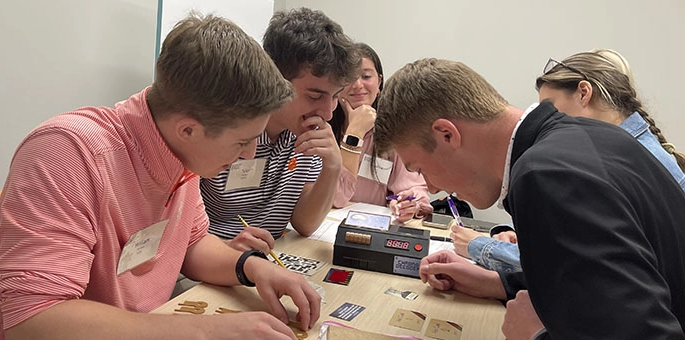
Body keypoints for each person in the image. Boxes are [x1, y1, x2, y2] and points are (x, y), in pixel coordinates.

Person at [0, 14, 322, 340]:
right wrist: (206, 331)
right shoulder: (66, 153)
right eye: (241, 141)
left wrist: (252, 268)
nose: (249, 154)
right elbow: (34, 322)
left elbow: (190, 245)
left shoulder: (181, 149)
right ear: (188, 129)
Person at [373, 58, 685, 339]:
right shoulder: (586, 137)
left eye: (421, 168)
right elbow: (597, 282)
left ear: (446, 134)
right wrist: (498, 283)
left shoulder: (546, 176)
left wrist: (535, 336)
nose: (432, 187)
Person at [452, 49, 685, 273]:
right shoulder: (624, 153)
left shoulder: (628, 162)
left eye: (549, 109)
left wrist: (479, 246)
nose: (546, 120)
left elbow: (575, 265)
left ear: (584, 93)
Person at [201, 8, 361, 253]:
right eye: (314, 96)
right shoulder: (226, 126)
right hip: (207, 265)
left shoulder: (307, 133)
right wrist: (225, 249)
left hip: (265, 261)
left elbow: (305, 225)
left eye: (336, 97)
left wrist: (332, 167)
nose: (328, 113)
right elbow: (180, 232)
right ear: (274, 76)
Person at [328, 43, 432, 222]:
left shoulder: (394, 132)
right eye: (349, 77)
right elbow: (337, 197)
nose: (358, 85)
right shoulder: (324, 129)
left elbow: (416, 190)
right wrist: (355, 132)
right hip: (324, 226)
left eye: (366, 76)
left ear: (379, 81)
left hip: (373, 226)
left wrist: (407, 202)